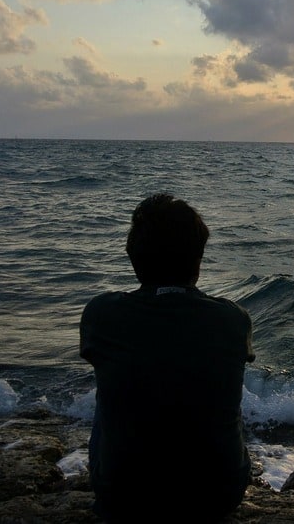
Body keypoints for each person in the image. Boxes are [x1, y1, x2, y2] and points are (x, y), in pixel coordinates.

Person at [80, 193, 255, 522]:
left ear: (133, 257)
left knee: (110, 396)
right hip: (218, 494)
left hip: (123, 497)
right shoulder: (234, 320)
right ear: (199, 259)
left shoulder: (101, 314)